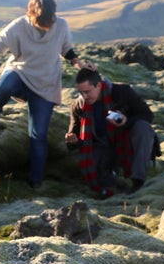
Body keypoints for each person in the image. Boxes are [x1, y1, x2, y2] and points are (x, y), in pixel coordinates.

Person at [0, 0, 95, 188]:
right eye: (43, 20)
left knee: (38, 136)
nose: (48, 23)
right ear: (32, 14)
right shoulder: (19, 25)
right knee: (3, 85)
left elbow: (67, 49)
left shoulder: (61, 25)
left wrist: (80, 65)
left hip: (45, 85)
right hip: (21, 72)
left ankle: (35, 181)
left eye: (50, 19)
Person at [65, 68, 158, 197]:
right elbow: (74, 130)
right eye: (81, 92)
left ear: (98, 85)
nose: (84, 96)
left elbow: (147, 115)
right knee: (95, 175)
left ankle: (138, 180)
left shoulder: (122, 92)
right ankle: (109, 177)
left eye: (87, 92)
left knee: (143, 128)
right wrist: (72, 139)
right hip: (101, 146)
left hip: (126, 141)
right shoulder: (78, 105)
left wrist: (126, 122)